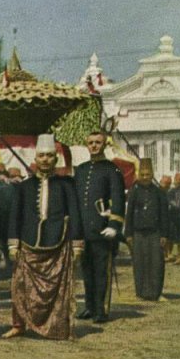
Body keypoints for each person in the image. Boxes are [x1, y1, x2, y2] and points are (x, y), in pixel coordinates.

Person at [2, 134, 83, 340]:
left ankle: (57, 328)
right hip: (28, 243)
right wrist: (13, 244)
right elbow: (15, 216)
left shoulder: (67, 185)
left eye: (49, 156)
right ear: (35, 159)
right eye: (41, 156)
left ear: (55, 159)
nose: (45, 159)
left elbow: (75, 214)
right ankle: (18, 325)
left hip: (58, 242)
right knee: (19, 286)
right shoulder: (23, 187)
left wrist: (77, 245)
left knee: (59, 290)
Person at [73, 131, 125, 324]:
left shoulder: (112, 170)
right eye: (91, 143)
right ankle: (89, 306)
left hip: (103, 230)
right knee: (86, 271)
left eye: (98, 142)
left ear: (104, 145)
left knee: (101, 271)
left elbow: (118, 199)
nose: (94, 146)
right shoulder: (81, 170)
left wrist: (114, 224)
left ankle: (101, 309)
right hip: (84, 230)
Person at [124, 158, 169, 301]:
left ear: (152, 174)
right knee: (140, 263)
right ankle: (141, 292)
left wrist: (164, 234)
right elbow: (129, 213)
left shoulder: (159, 192)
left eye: (147, 175)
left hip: (155, 233)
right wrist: (128, 234)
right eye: (142, 174)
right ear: (138, 175)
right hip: (138, 234)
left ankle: (155, 293)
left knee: (156, 263)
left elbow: (164, 215)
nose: (144, 177)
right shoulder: (133, 192)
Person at [168, 173, 180, 265]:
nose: (179, 181)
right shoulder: (172, 191)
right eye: (177, 179)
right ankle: (179, 256)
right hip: (174, 217)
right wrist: (173, 204)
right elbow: (169, 200)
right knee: (177, 238)